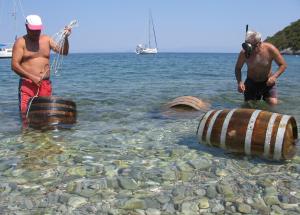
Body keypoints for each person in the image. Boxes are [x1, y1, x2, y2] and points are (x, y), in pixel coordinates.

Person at [11, 14, 71, 120]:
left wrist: (66, 38)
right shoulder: (20, 42)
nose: (36, 33)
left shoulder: (46, 39)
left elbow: (64, 52)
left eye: (38, 30)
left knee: (44, 116)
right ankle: (27, 136)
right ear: (26, 27)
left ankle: (43, 137)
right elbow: (14, 65)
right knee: (26, 116)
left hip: (45, 84)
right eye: (33, 30)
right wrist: (32, 77)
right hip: (28, 84)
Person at [235, 30, 287, 105]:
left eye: (252, 46)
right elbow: (238, 68)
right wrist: (239, 82)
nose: (249, 49)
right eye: (247, 45)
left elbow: (283, 65)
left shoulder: (270, 49)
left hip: (267, 83)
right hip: (251, 83)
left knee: (273, 103)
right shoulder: (244, 53)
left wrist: (274, 77)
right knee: (249, 106)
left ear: (259, 43)